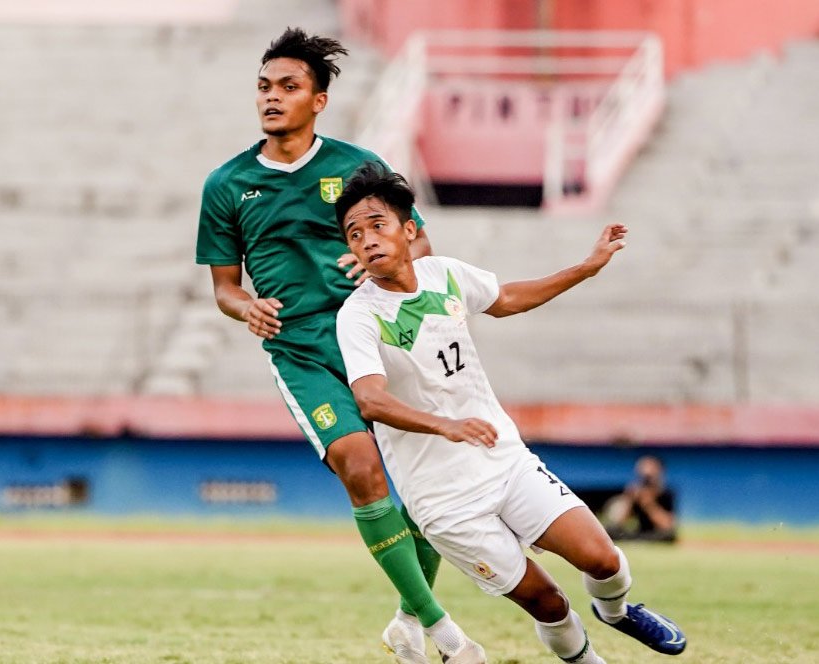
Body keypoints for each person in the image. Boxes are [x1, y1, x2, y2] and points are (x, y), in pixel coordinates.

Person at [195, 28, 484, 663]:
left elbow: (422, 248)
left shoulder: (359, 169)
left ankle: (407, 620)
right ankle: (444, 631)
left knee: (428, 492)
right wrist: (250, 308)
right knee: (359, 465)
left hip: (380, 346)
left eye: (289, 87)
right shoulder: (226, 185)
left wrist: (380, 261)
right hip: (302, 354)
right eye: (265, 86)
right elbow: (224, 288)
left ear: (319, 100)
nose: (272, 98)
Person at [334, 163, 688, 663]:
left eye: (378, 225)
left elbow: (508, 299)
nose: (367, 240)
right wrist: (445, 425)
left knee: (603, 559)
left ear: (409, 229)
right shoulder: (358, 315)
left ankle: (618, 611)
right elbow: (369, 400)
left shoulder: (444, 274)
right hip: (444, 501)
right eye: (354, 234)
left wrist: (585, 268)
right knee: (549, 603)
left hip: (502, 459)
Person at [604, 456, 677, 542]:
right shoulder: (635, 492)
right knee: (609, 530)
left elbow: (667, 525)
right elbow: (618, 522)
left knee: (668, 535)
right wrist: (629, 499)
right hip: (638, 534)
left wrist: (649, 504)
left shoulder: (666, 493)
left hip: (655, 534)